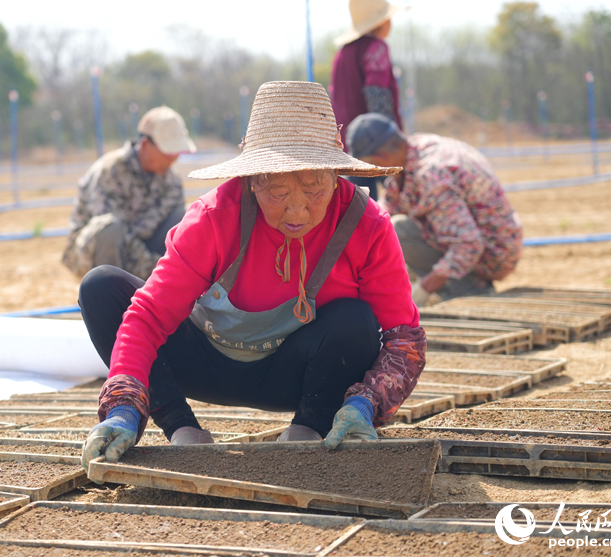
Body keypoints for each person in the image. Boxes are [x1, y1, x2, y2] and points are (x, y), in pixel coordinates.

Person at [78, 81, 427, 472]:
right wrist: (123, 403)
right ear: (253, 178)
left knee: (355, 321)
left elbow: (404, 340)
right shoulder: (214, 217)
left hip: (296, 376)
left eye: (313, 189)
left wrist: (368, 403)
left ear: (335, 173)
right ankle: (181, 429)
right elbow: (149, 315)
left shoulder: (367, 224)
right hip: (205, 361)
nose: (297, 211)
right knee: (101, 287)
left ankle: (309, 427)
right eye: (277, 191)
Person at [345, 113, 524, 306]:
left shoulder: (432, 177)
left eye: (372, 165)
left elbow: (468, 246)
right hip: (485, 238)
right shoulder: (415, 148)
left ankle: (471, 289)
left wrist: (424, 289)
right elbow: (387, 207)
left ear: (382, 157)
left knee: (399, 232)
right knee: (388, 226)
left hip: (494, 253)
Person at [61, 106, 196, 280]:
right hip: (96, 251)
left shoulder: (171, 180)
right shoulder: (111, 171)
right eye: (168, 151)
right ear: (146, 145)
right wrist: (157, 269)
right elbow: (114, 232)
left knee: (185, 217)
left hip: (145, 252)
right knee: (109, 229)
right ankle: (108, 295)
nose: (173, 158)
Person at [329, 0, 407, 201]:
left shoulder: (342, 54)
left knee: (359, 205)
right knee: (402, 197)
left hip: (350, 144)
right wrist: (391, 138)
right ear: (381, 23)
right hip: (377, 144)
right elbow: (377, 95)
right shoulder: (376, 48)